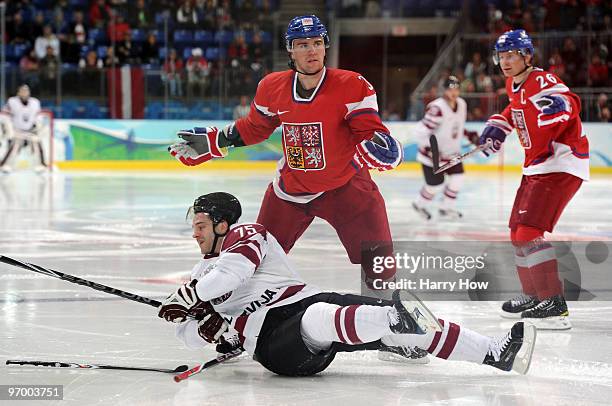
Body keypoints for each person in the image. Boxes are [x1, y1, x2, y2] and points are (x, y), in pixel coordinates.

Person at [157, 192, 537, 377]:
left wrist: (191, 298)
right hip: (275, 344)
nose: (196, 234)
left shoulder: (248, 235)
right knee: (332, 317)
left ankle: (493, 353)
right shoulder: (199, 275)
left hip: (304, 302)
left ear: (224, 224)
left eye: (201, 226)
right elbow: (187, 337)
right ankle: (393, 322)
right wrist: (210, 333)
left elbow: (232, 274)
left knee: (403, 324)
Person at [168, 15, 402, 286]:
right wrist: (216, 140)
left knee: (379, 261)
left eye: (317, 43)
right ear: (290, 49)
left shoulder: (352, 84)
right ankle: (228, 301)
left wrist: (385, 147)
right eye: (302, 44)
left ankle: (393, 309)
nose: (312, 50)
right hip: (290, 191)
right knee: (255, 256)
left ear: (325, 46)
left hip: (345, 186)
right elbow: (255, 127)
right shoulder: (272, 87)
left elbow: (369, 130)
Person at [478, 30, 589, 330]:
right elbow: (515, 108)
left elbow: (569, 102)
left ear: (527, 56)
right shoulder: (515, 83)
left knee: (528, 231)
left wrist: (557, 109)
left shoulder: (543, 80)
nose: (505, 61)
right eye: (501, 56)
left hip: (560, 163)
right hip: (537, 166)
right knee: (518, 233)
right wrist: (499, 125)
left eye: (512, 55)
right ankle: (535, 296)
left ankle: (554, 304)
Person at [412, 76, 479, 220]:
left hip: (451, 154)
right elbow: (422, 131)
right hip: (432, 157)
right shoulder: (437, 108)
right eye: (450, 89)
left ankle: (446, 207)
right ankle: (419, 204)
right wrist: (430, 149)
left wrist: (470, 136)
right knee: (435, 186)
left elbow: (456, 128)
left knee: (458, 179)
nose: (453, 92)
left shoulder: (461, 104)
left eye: (456, 88)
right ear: (444, 91)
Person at [0, 85, 46, 174]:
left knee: (37, 144)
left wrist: (38, 127)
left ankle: (40, 165)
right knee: (14, 146)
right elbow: (5, 115)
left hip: (30, 130)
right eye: (22, 90)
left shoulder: (35, 102)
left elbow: (39, 116)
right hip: (16, 130)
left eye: (26, 90)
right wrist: (8, 128)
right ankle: (6, 165)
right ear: (18, 92)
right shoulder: (12, 101)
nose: (25, 92)